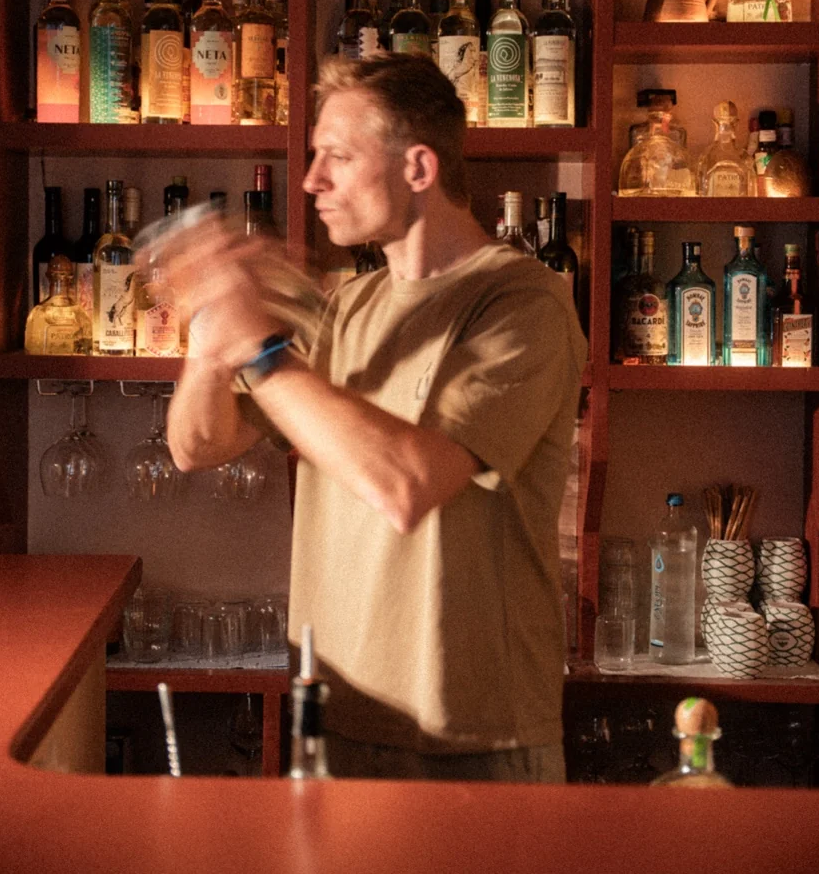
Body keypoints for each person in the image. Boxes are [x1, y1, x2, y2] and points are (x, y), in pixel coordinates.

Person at [160, 53, 587, 782]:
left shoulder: (524, 304)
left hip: (473, 737)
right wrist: (207, 338)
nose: (311, 180)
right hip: (331, 719)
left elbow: (407, 484)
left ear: (418, 167)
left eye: (337, 156)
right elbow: (198, 446)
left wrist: (258, 350)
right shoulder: (343, 306)